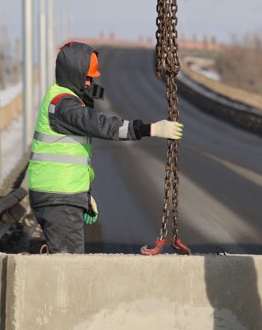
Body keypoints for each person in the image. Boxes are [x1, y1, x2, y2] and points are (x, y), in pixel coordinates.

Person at [27, 41, 183, 254]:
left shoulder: (64, 99)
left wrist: (83, 194)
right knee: (67, 266)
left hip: (62, 193)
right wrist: (149, 129)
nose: (91, 82)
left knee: (66, 262)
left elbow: (68, 155)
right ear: (75, 74)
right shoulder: (63, 104)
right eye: (88, 77)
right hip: (57, 195)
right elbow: (99, 124)